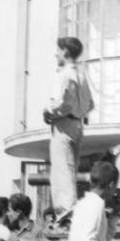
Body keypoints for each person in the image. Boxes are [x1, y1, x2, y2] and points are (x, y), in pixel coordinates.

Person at [43, 37, 94, 215]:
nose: (56, 54)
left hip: (63, 125)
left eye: (58, 50)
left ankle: (65, 213)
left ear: (65, 51)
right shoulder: (81, 75)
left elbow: (63, 103)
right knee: (70, 170)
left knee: (62, 170)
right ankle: (68, 210)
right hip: (77, 125)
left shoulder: (64, 74)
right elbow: (90, 104)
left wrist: (49, 111)